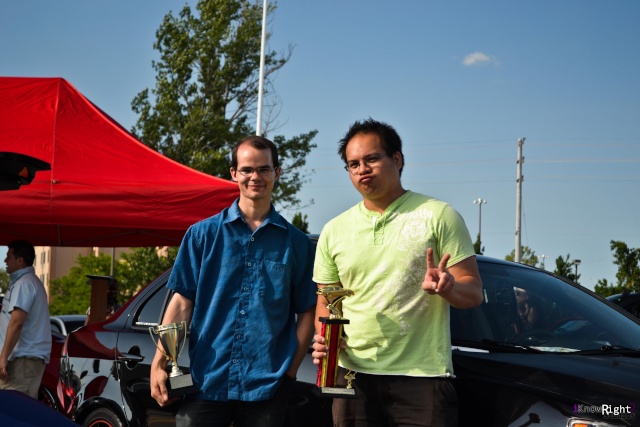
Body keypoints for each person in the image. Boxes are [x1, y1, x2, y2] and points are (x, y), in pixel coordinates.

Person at [312, 119, 483, 427]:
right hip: (353, 376)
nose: (362, 169)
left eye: (371, 158)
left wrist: (449, 288)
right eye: (353, 164)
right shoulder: (334, 230)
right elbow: (326, 300)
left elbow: (473, 292)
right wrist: (325, 338)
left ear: (398, 159)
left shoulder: (438, 215)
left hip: (422, 376)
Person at [150, 135, 316, 427]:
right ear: (234, 173)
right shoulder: (202, 236)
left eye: (264, 169)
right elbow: (181, 303)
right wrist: (159, 362)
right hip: (206, 380)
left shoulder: (298, 244)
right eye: (247, 169)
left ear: (277, 173)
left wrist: (289, 373)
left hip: (267, 387)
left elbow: (306, 312)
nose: (256, 177)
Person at [0, 240, 52, 399]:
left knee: (14, 411)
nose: (5, 261)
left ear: (20, 260)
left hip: (22, 361)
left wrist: (3, 358)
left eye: (9, 257)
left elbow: (16, 322)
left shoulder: (25, 283)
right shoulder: (25, 282)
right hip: (23, 360)